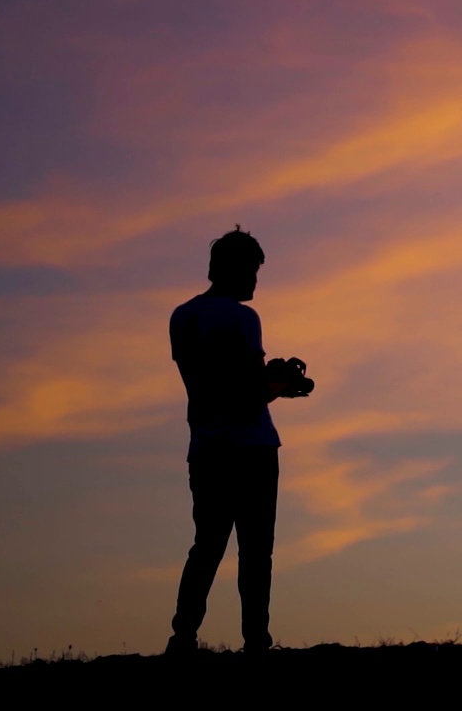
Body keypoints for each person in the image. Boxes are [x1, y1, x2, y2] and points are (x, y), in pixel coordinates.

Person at [164, 225, 305, 655]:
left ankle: (183, 636)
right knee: (256, 549)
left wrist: (269, 380)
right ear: (236, 269)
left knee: (206, 544)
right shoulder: (243, 318)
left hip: (205, 448)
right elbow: (248, 394)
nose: (255, 280)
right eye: (253, 270)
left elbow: (211, 383)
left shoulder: (182, 316)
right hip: (251, 448)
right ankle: (256, 642)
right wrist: (280, 384)